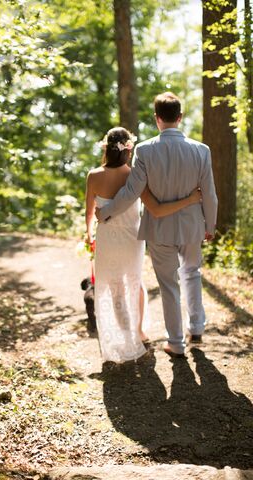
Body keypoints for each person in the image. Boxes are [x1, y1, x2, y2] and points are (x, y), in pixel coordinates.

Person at [96, 93, 218, 358]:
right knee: (192, 272)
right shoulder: (201, 150)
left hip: (161, 228)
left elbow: (131, 191)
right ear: (180, 117)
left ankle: (176, 343)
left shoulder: (146, 150)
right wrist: (211, 223)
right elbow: (209, 193)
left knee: (169, 284)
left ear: (157, 119)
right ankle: (196, 327)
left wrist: (106, 212)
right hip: (193, 225)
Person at [86, 126, 202, 364]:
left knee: (114, 285)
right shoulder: (135, 176)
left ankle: (126, 333)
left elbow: (89, 213)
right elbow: (157, 209)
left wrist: (89, 236)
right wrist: (191, 199)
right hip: (132, 238)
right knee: (135, 282)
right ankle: (138, 332)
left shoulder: (93, 176)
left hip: (107, 238)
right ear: (129, 150)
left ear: (106, 148)